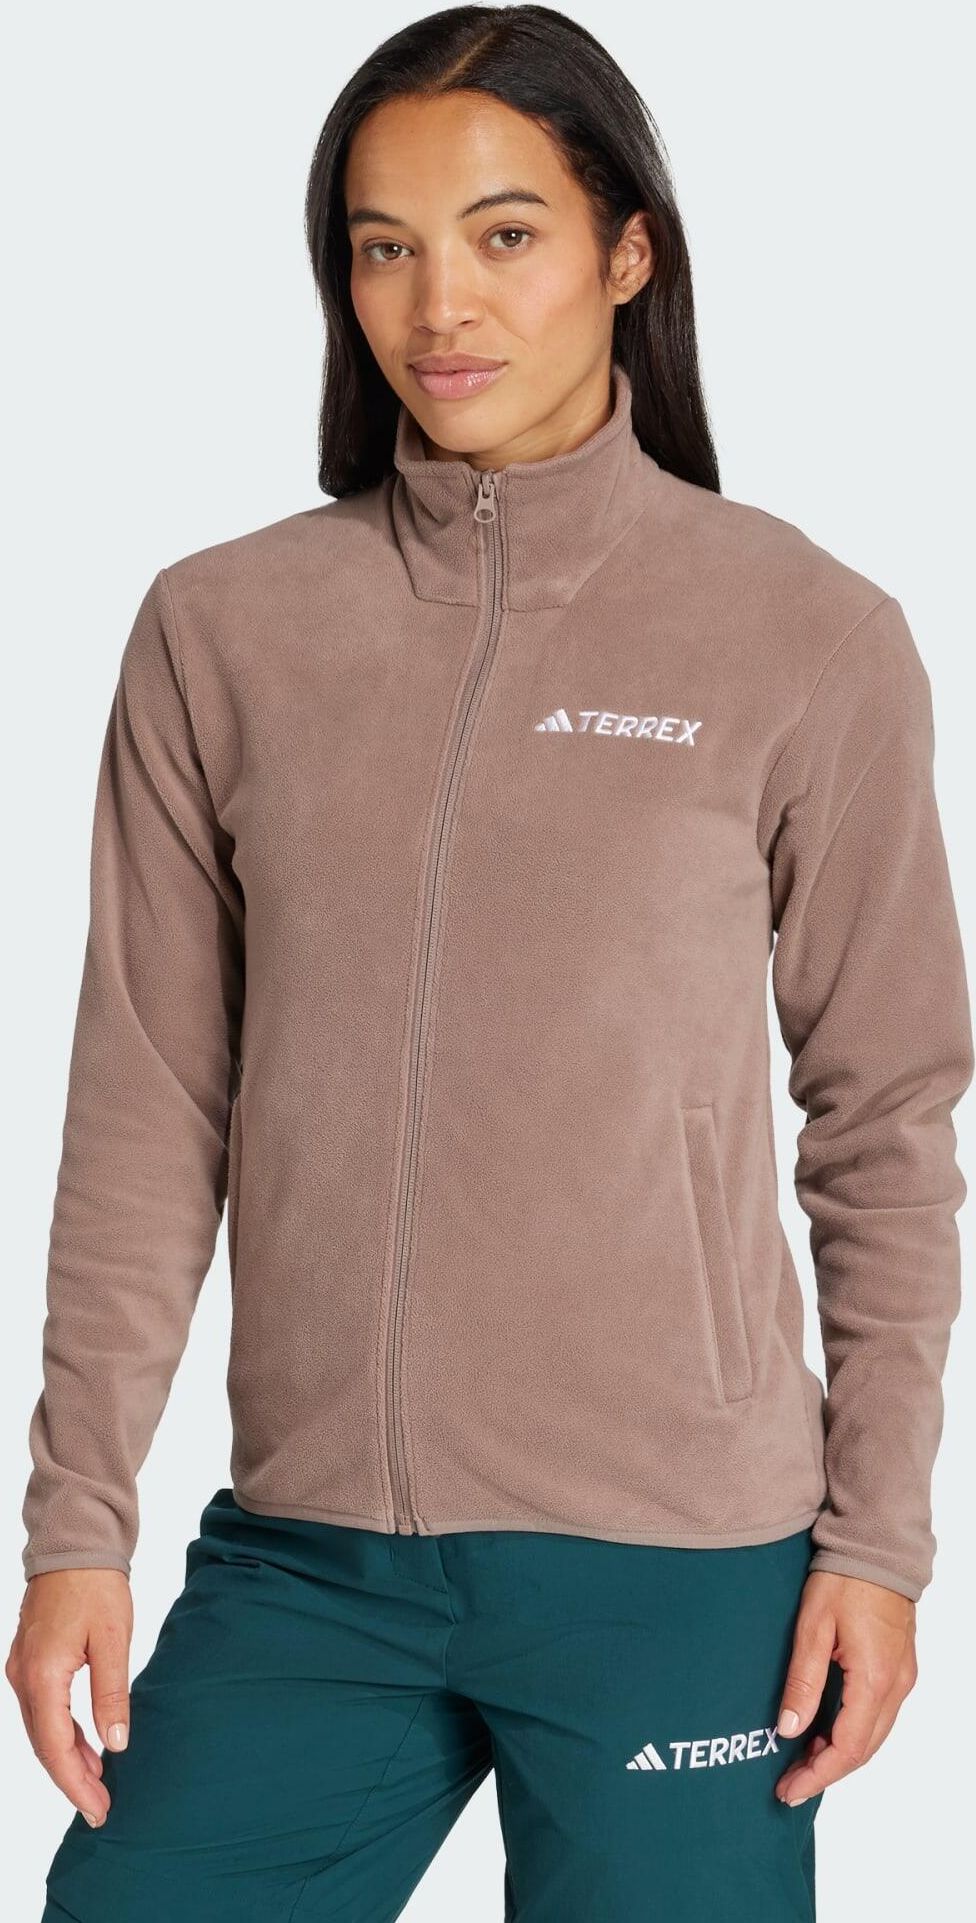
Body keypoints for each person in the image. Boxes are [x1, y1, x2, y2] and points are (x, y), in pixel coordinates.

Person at [9, 7, 972, 1919]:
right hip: (309, 1559)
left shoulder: (804, 634)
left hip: (682, 1572)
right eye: (383, 246)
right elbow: (147, 1106)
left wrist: (877, 1543)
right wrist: (76, 1526)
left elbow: (886, 1118)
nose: (438, 303)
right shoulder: (224, 629)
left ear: (629, 256)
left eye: (506, 234)